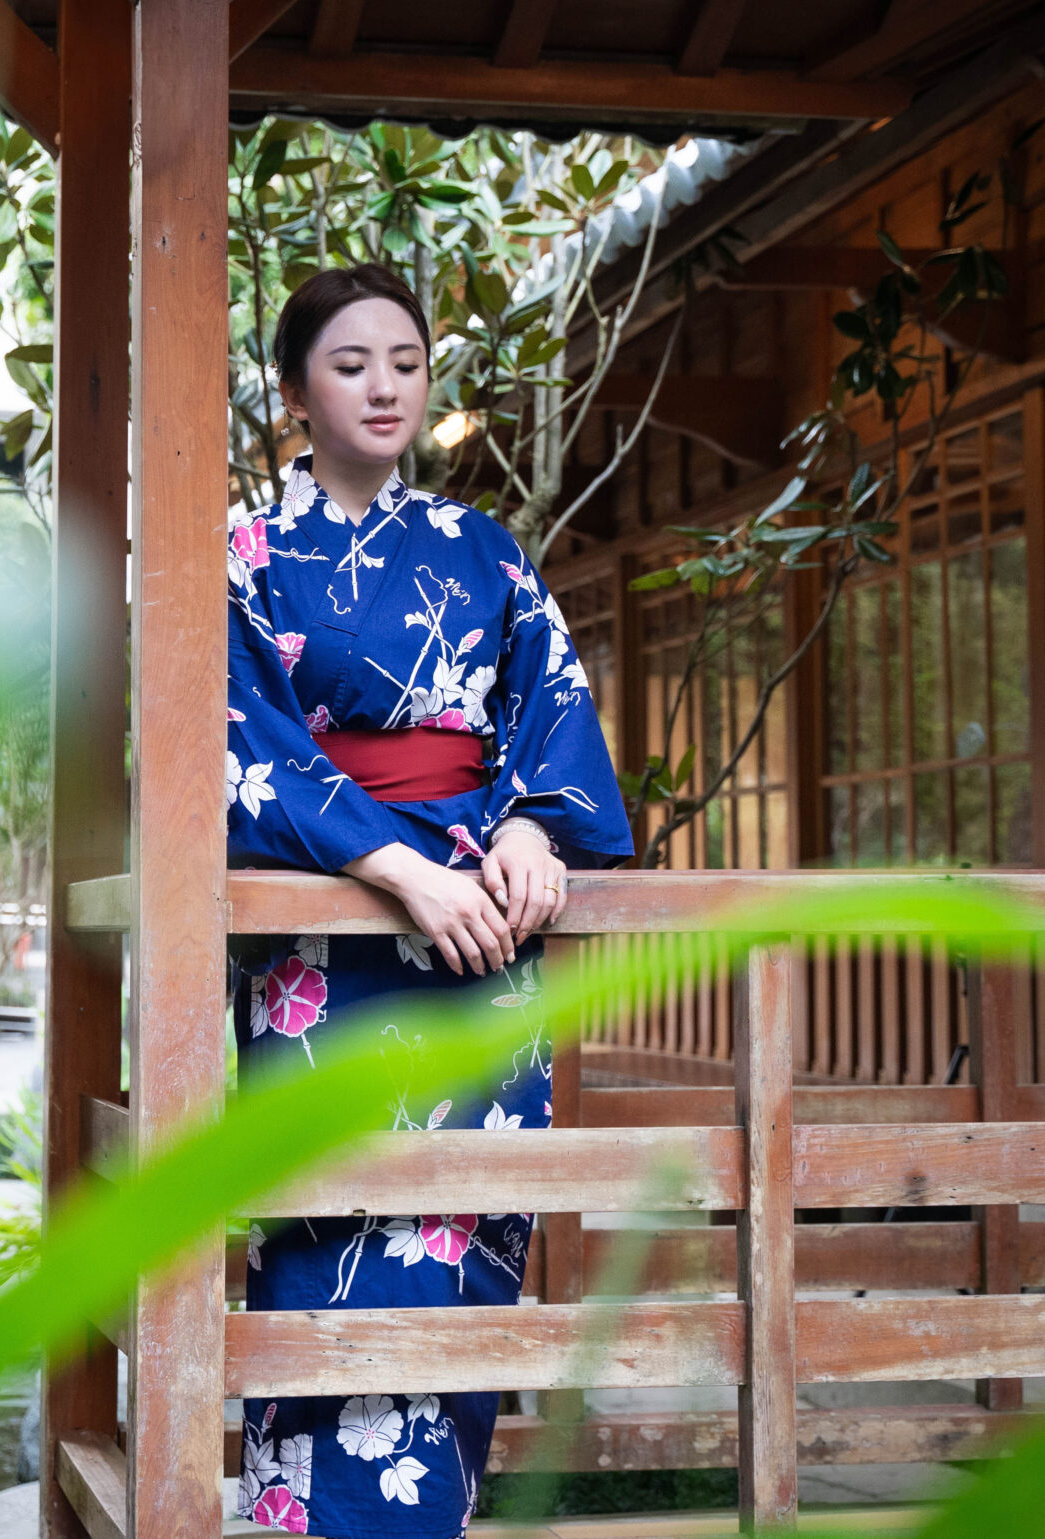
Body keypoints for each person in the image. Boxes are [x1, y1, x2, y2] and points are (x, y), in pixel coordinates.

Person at [227, 264, 631, 1537]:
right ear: (293, 391)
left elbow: (545, 712)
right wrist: (394, 867)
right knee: (323, 1226)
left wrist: (523, 820)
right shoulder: (244, 553)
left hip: (480, 948)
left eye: (403, 359)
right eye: (349, 364)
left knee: (464, 1237)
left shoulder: (480, 550)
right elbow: (229, 738)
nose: (384, 385)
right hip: (330, 944)